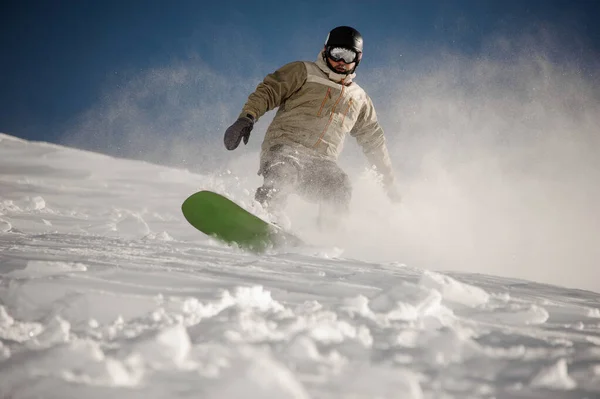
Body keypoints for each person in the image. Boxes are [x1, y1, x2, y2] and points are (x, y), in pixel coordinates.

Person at [223, 26, 400, 229]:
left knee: (340, 186)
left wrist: (388, 183)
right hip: (285, 148)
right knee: (283, 173)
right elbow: (269, 91)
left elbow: (374, 141)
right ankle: (265, 215)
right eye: (336, 53)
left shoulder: (359, 99)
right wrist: (247, 118)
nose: (341, 62)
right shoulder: (304, 71)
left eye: (347, 55)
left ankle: (330, 236)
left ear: (358, 58)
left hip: (321, 163)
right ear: (326, 50)